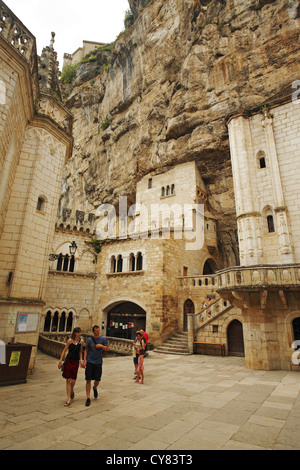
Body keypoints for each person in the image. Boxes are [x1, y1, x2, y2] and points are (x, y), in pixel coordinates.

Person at [83, 325, 109, 406]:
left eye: (99, 330)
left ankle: (94, 387)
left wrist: (101, 346)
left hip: (98, 362)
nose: (98, 331)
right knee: (88, 379)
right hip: (90, 361)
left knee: (97, 380)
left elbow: (107, 348)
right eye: (97, 330)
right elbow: (86, 350)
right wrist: (84, 360)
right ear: (93, 331)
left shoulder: (103, 339)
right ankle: (88, 397)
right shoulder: (90, 340)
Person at [58, 327, 83, 407]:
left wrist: (81, 361)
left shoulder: (81, 342)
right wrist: (60, 361)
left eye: (80, 332)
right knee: (68, 380)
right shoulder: (70, 341)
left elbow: (80, 352)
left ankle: (71, 389)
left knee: (73, 381)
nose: (80, 334)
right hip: (69, 361)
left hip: (76, 362)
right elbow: (64, 350)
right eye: (78, 332)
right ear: (75, 333)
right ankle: (68, 399)